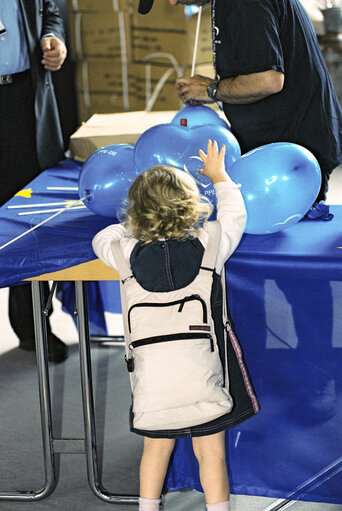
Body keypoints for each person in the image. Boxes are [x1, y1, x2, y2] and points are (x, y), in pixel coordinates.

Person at [92, 140, 259, 511]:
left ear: (136, 212)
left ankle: (148, 508)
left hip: (153, 381)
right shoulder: (211, 242)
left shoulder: (124, 255)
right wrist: (219, 177)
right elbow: (234, 213)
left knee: (156, 449)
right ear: (190, 206)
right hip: (202, 373)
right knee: (210, 452)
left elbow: (101, 238)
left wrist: (130, 231)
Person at [139, 0, 342, 203]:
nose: (173, 3)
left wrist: (211, 90)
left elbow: (268, 80)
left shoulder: (244, 4)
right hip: (276, 143)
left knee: (288, 230)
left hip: (290, 150)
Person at [0, 0, 68, 363]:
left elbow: (50, 12)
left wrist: (53, 38)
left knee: (29, 217)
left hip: (24, 100)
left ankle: (33, 327)